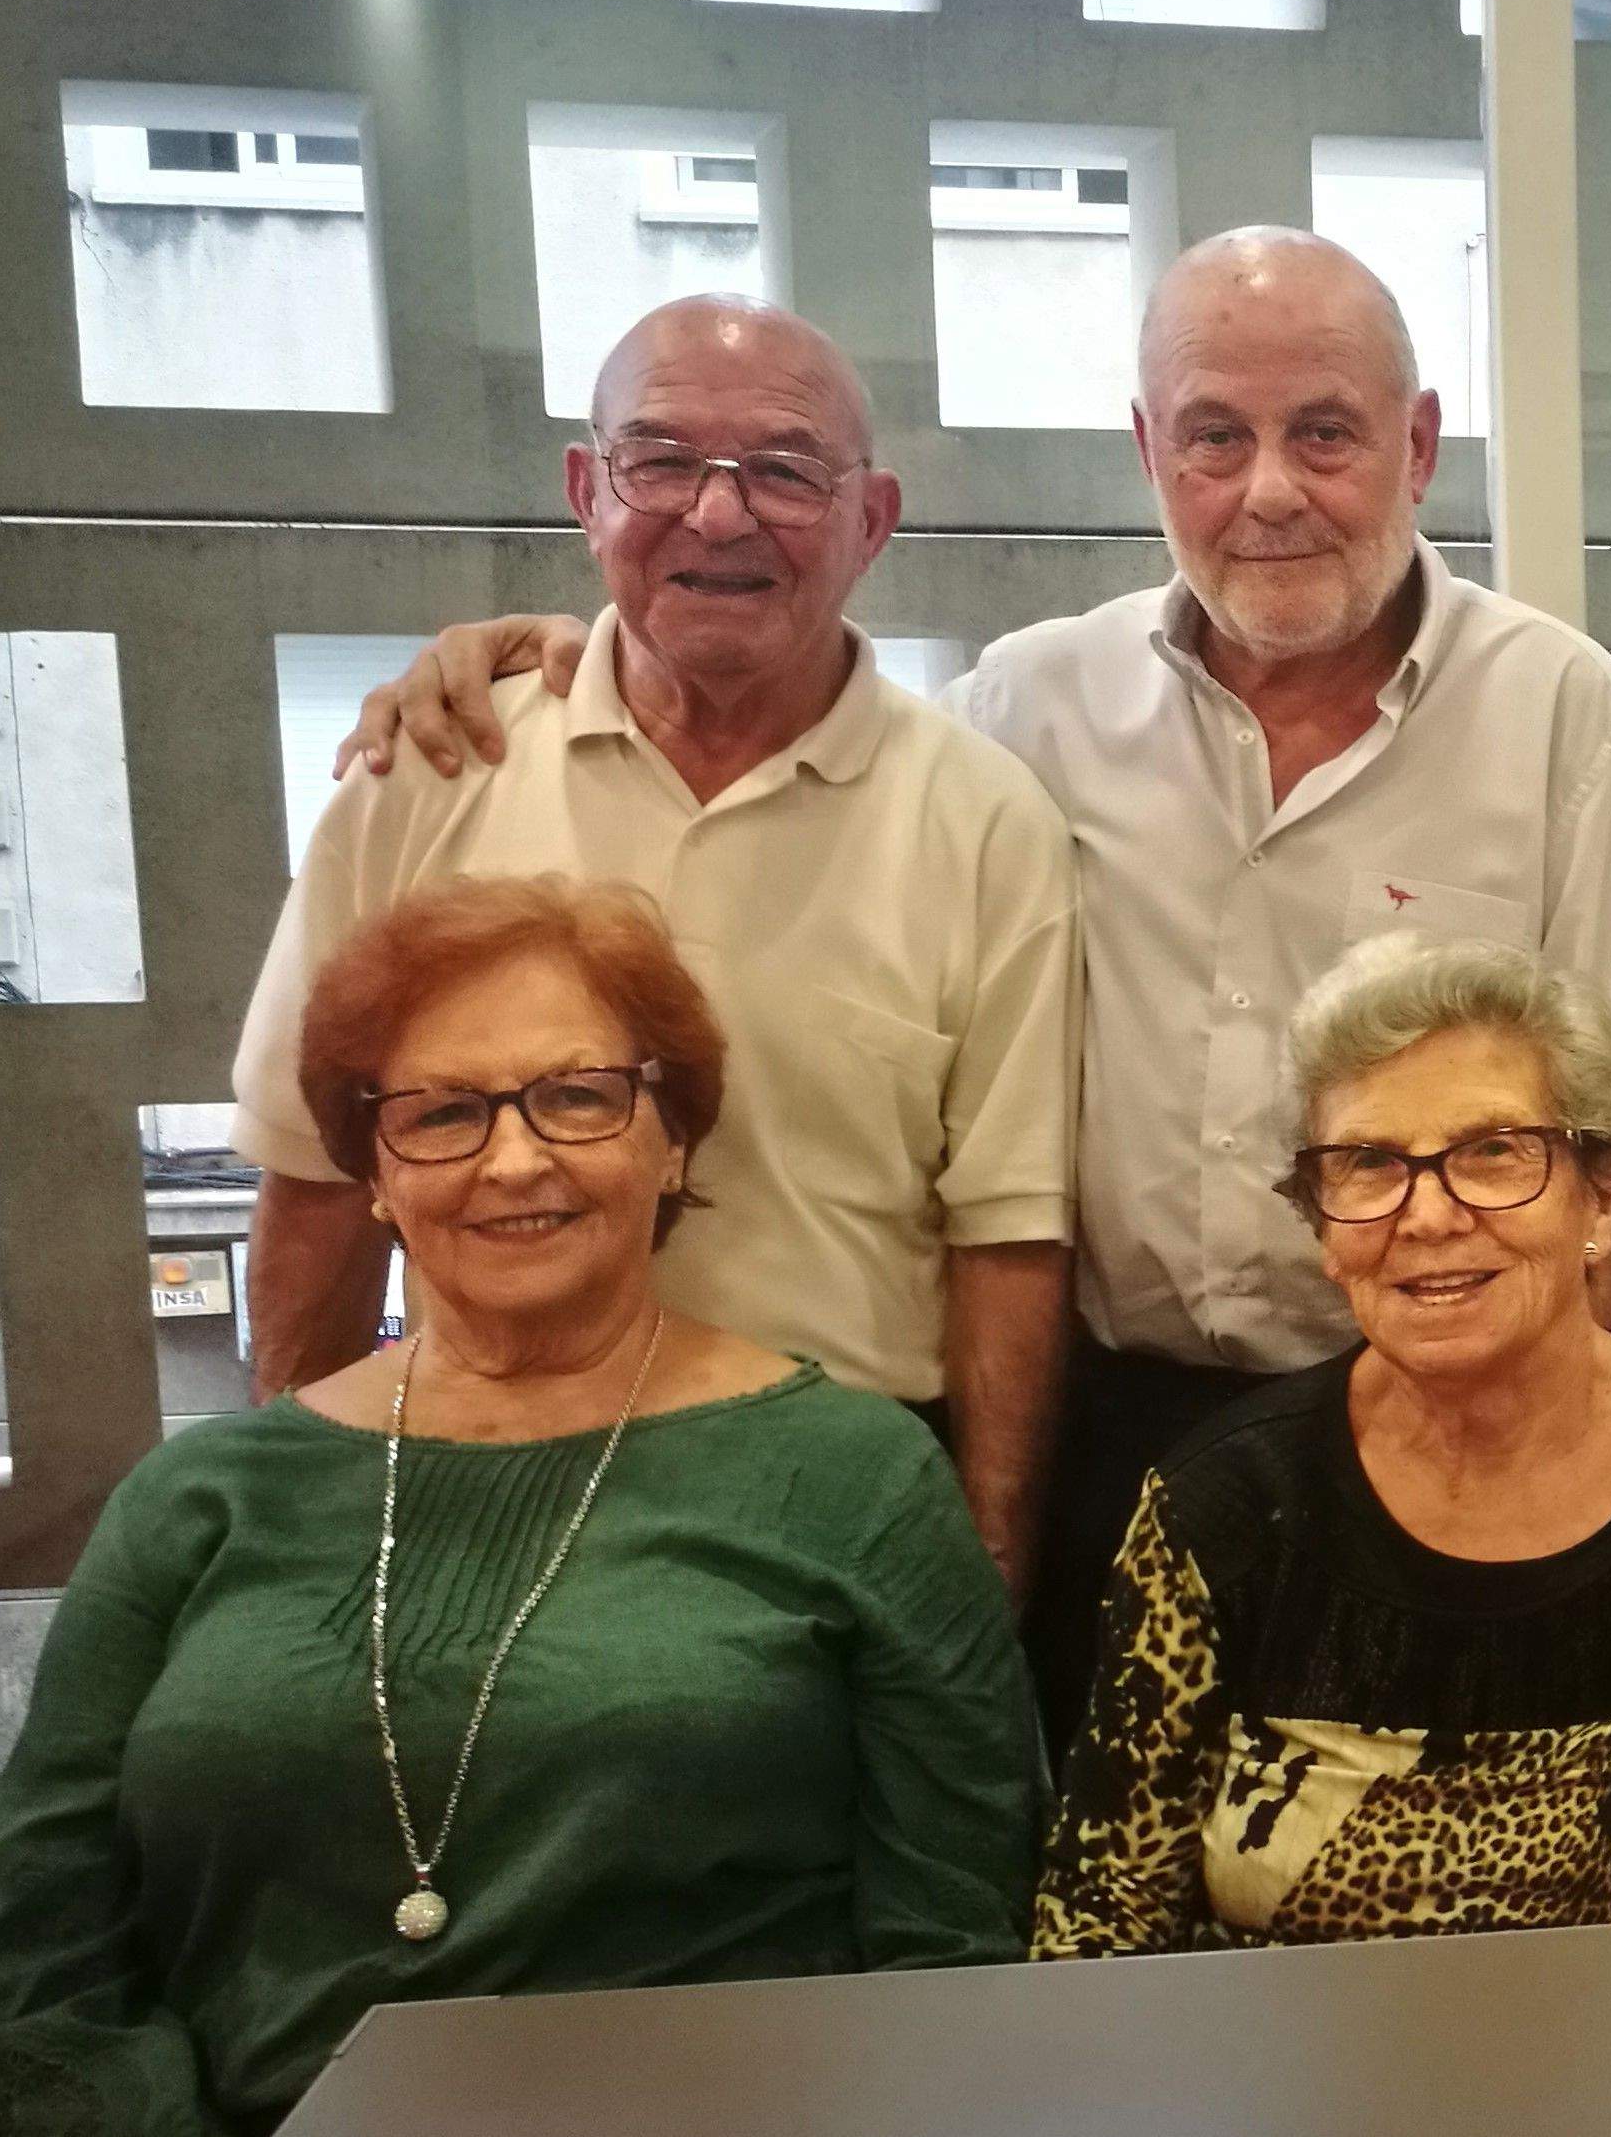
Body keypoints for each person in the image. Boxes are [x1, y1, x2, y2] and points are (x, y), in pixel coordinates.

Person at [332, 230, 1611, 1753]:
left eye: (1323, 432)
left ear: (1414, 447)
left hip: (1445, 1405)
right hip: (1112, 1432)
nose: (1268, 489)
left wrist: (1545, 1435)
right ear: (1151, 453)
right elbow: (785, 709)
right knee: (1120, 1896)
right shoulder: (1026, 706)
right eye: (1214, 436)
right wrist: (542, 655)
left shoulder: (1557, 709)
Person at [0, 878, 1044, 2137]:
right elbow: (37, 1935)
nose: (514, 1160)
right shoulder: (199, 1500)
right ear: (370, 1169)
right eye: (443, 1111)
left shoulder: (851, 1478)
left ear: (671, 1140)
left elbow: (953, 1956)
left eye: (576, 1096)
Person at [233, 295, 1080, 1594]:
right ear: (587, 489)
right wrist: (286, 1546)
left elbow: (1007, 1239)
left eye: (785, 472)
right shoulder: (432, 769)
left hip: (839, 1500)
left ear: (873, 520)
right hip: (475, 1471)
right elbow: (315, 1180)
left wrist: (985, 1575)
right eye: (663, 460)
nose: (719, 514)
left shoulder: (983, 820)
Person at [1035, 936, 1611, 1949]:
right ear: (1322, 1225)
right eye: (1369, 1162)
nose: (1429, 1212)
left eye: (1494, 1150)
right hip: (1296, 2097)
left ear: (1605, 1190)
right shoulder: (1218, 1505)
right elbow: (1098, 1929)